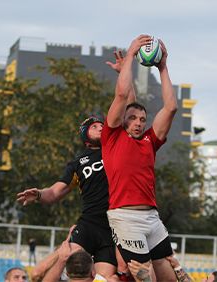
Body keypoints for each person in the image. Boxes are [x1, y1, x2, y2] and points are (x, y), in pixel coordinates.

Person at [17, 52, 134, 282]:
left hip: (113, 227)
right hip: (88, 223)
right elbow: (56, 192)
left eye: (103, 125)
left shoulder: (116, 147)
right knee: (40, 274)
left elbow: (130, 107)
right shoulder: (77, 163)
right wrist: (39, 194)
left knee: (105, 278)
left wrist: (124, 75)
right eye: (94, 126)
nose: (101, 127)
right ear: (85, 136)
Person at [101, 34, 178, 282]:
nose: (138, 123)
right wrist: (132, 55)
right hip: (126, 218)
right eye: (133, 118)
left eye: (142, 120)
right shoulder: (112, 136)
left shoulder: (149, 142)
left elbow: (171, 108)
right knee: (147, 280)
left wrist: (163, 67)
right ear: (122, 119)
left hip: (152, 218)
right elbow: (123, 96)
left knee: (172, 277)